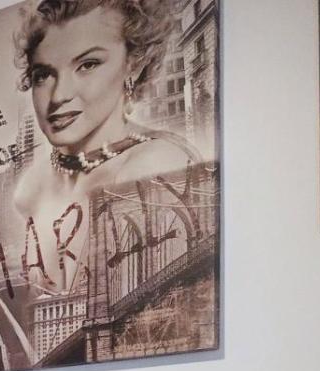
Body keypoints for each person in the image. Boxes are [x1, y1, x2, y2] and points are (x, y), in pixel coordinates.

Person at [10, 0, 198, 294]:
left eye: (88, 65)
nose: (59, 95)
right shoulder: (30, 188)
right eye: (43, 75)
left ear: (133, 65)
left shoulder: (154, 165)